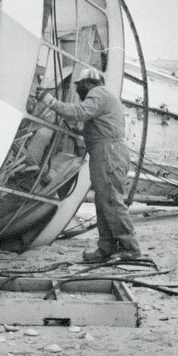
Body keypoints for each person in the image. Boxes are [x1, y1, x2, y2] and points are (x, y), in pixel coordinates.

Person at [39, 67, 142, 262]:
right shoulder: (105, 97)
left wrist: (50, 101)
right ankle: (106, 248)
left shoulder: (98, 93)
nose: (78, 89)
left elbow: (80, 112)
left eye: (79, 85)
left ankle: (130, 248)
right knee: (104, 201)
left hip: (108, 153)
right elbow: (96, 126)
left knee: (111, 200)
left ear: (88, 83)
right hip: (106, 152)